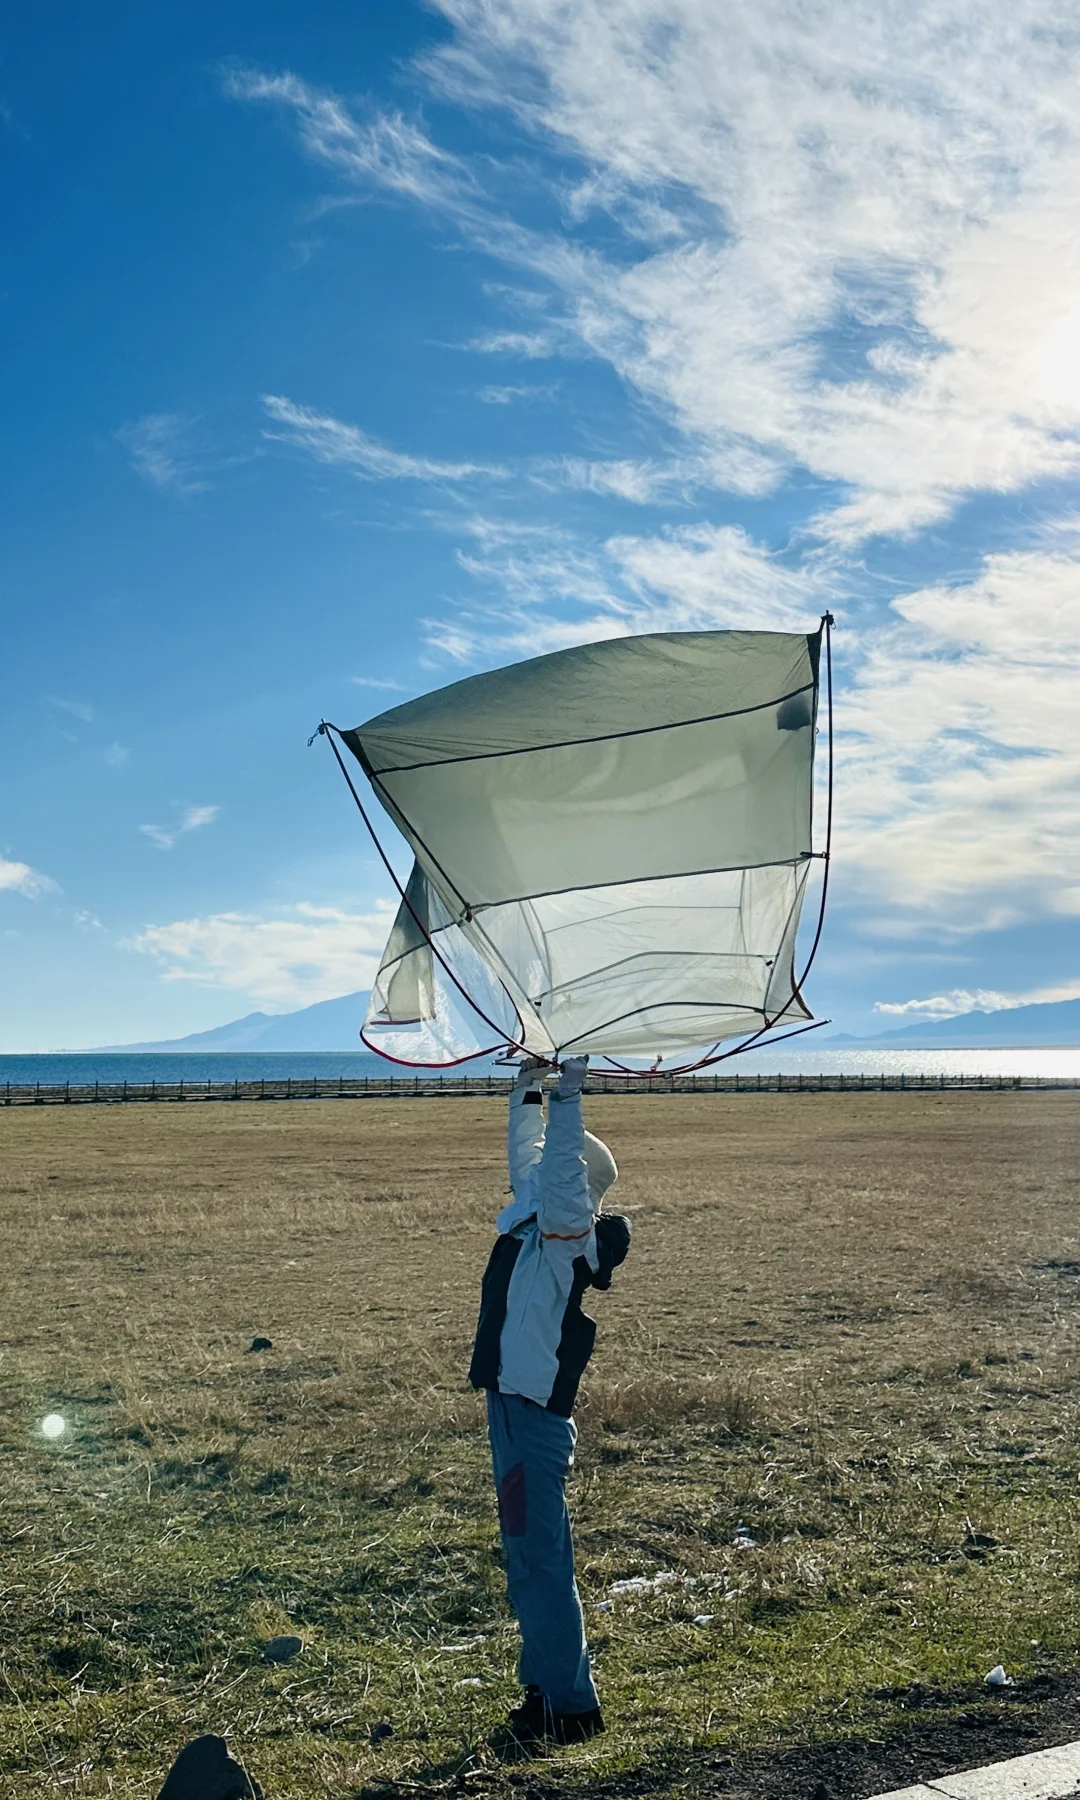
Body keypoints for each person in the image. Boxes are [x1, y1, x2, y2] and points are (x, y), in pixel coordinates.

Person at [469, 1053, 631, 1748]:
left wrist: (568, 1093)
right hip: (514, 1412)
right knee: (532, 1560)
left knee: (539, 1563)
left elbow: (557, 1169)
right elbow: (530, 1162)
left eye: (556, 1177)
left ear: (576, 1191)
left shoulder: (566, 1236)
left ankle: (569, 1710)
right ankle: (546, 1693)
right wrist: (525, 1090)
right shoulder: (537, 1229)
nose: (534, 1179)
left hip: (530, 1420)